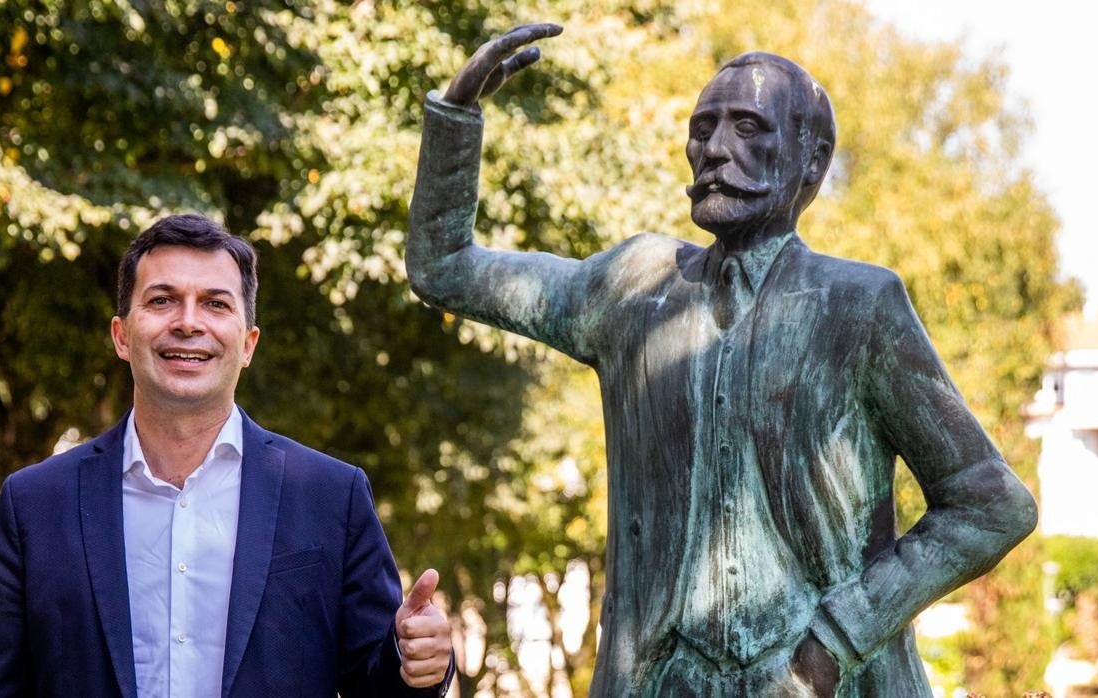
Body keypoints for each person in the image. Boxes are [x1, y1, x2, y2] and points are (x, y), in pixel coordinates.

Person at [407, 25, 1037, 697]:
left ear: (812, 160)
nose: (714, 149)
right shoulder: (630, 288)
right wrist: (457, 117)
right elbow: (444, 268)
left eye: (747, 127)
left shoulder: (859, 307)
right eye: (701, 128)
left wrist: (837, 641)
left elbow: (990, 505)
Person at [0, 214, 454, 697]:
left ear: (248, 343)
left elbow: (377, 683)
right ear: (122, 336)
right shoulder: (35, 504)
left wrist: (417, 663)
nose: (189, 323)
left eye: (215, 304)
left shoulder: (331, 496)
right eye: (163, 300)